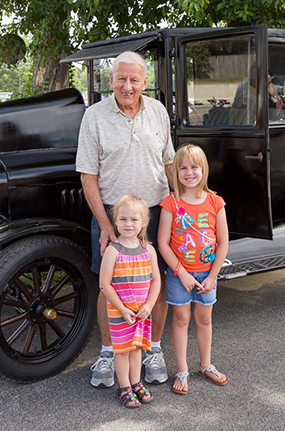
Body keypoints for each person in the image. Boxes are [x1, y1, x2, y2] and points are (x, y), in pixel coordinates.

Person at [76, 51, 175, 388]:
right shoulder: (94, 116)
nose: (127, 86)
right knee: (110, 285)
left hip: (156, 211)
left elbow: (169, 162)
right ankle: (108, 351)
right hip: (113, 216)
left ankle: (153, 348)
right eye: (121, 78)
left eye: (134, 80)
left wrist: (178, 209)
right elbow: (88, 175)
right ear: (111, 80)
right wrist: (105, 225)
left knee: (154, 281)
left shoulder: (158, 111)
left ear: (144, 82)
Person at [158, 144, 229, 395]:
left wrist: (213, 275)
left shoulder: (215, 202)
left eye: (194, 167)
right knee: (181, 319)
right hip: (180, 275)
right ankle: (182, 369)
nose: (189, 172)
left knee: (204, 319)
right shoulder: (171, 203)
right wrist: (181, 272)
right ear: (175, 172)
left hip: (207, 275)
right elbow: (163, 244)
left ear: (203, 170)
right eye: (183, 168)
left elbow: (222, 242)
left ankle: (206, 364)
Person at [99, 194, 161, 408]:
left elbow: (156, 280)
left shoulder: (148, 250)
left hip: (142, 311)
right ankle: (124, 386)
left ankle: (136, 382)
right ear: (115, 221)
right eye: (123, 219)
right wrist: (122, 309)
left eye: (134, 220)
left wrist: (149, 305)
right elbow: (104, 284)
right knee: (122, 350)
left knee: (136, 349)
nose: (128, 224)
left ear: (144, 222)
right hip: (120, 312)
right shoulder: (112, 251)